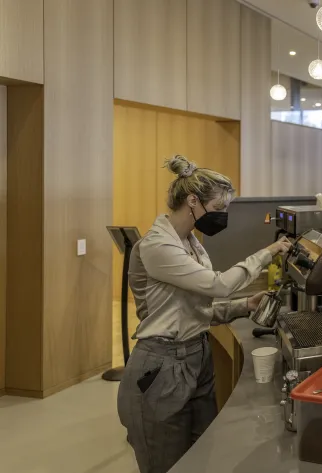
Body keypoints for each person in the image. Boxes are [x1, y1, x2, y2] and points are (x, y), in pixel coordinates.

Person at [117, 155, 291, 473]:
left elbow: (192, 308)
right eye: (219, 208)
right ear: (193, 201)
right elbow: (217, 285)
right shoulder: (158, 246)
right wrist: (268, 253)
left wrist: (244, 306)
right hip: (162, 365)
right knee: (166, 464)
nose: (222, 216)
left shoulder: (191, 243)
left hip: (197, 357)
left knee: (199, 458)